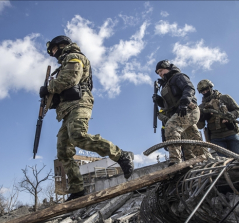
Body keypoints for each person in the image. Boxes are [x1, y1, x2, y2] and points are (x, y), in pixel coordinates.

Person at [40, 36, 134, 201]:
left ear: (63, 45)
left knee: (78, 136)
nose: (54, 53)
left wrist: (48, 87)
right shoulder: (62, 65)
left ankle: (121, 155)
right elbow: (61, 92)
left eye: (54, 49)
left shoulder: (74, 56)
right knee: (63, 151)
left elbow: (70, 79)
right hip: (66, 110)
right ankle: (77, 189)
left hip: (79, 104)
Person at [153, 60, 210, 166]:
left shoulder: (178, 77)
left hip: (188, 109)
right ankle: (203, 162)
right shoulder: (166, 86)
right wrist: (159, 100)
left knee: (171, 126)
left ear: (168, 67)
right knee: (191, 143)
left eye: (161, 70)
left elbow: (189, 88)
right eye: (158, 73)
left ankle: (175, 161)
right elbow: (168, 106)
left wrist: (184, 103)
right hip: (180, 113)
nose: (160, 74)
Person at [197, 79, 239, 156]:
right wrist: (204, 116)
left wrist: (230, 116)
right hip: (216, 138)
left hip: (231, 133)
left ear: (210, 87)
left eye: (206, 89)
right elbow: (199, 125)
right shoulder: (201, 107)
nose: (205, 92)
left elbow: (238, 111)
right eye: (203, 91)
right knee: (223, 162)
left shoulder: (225, 98)